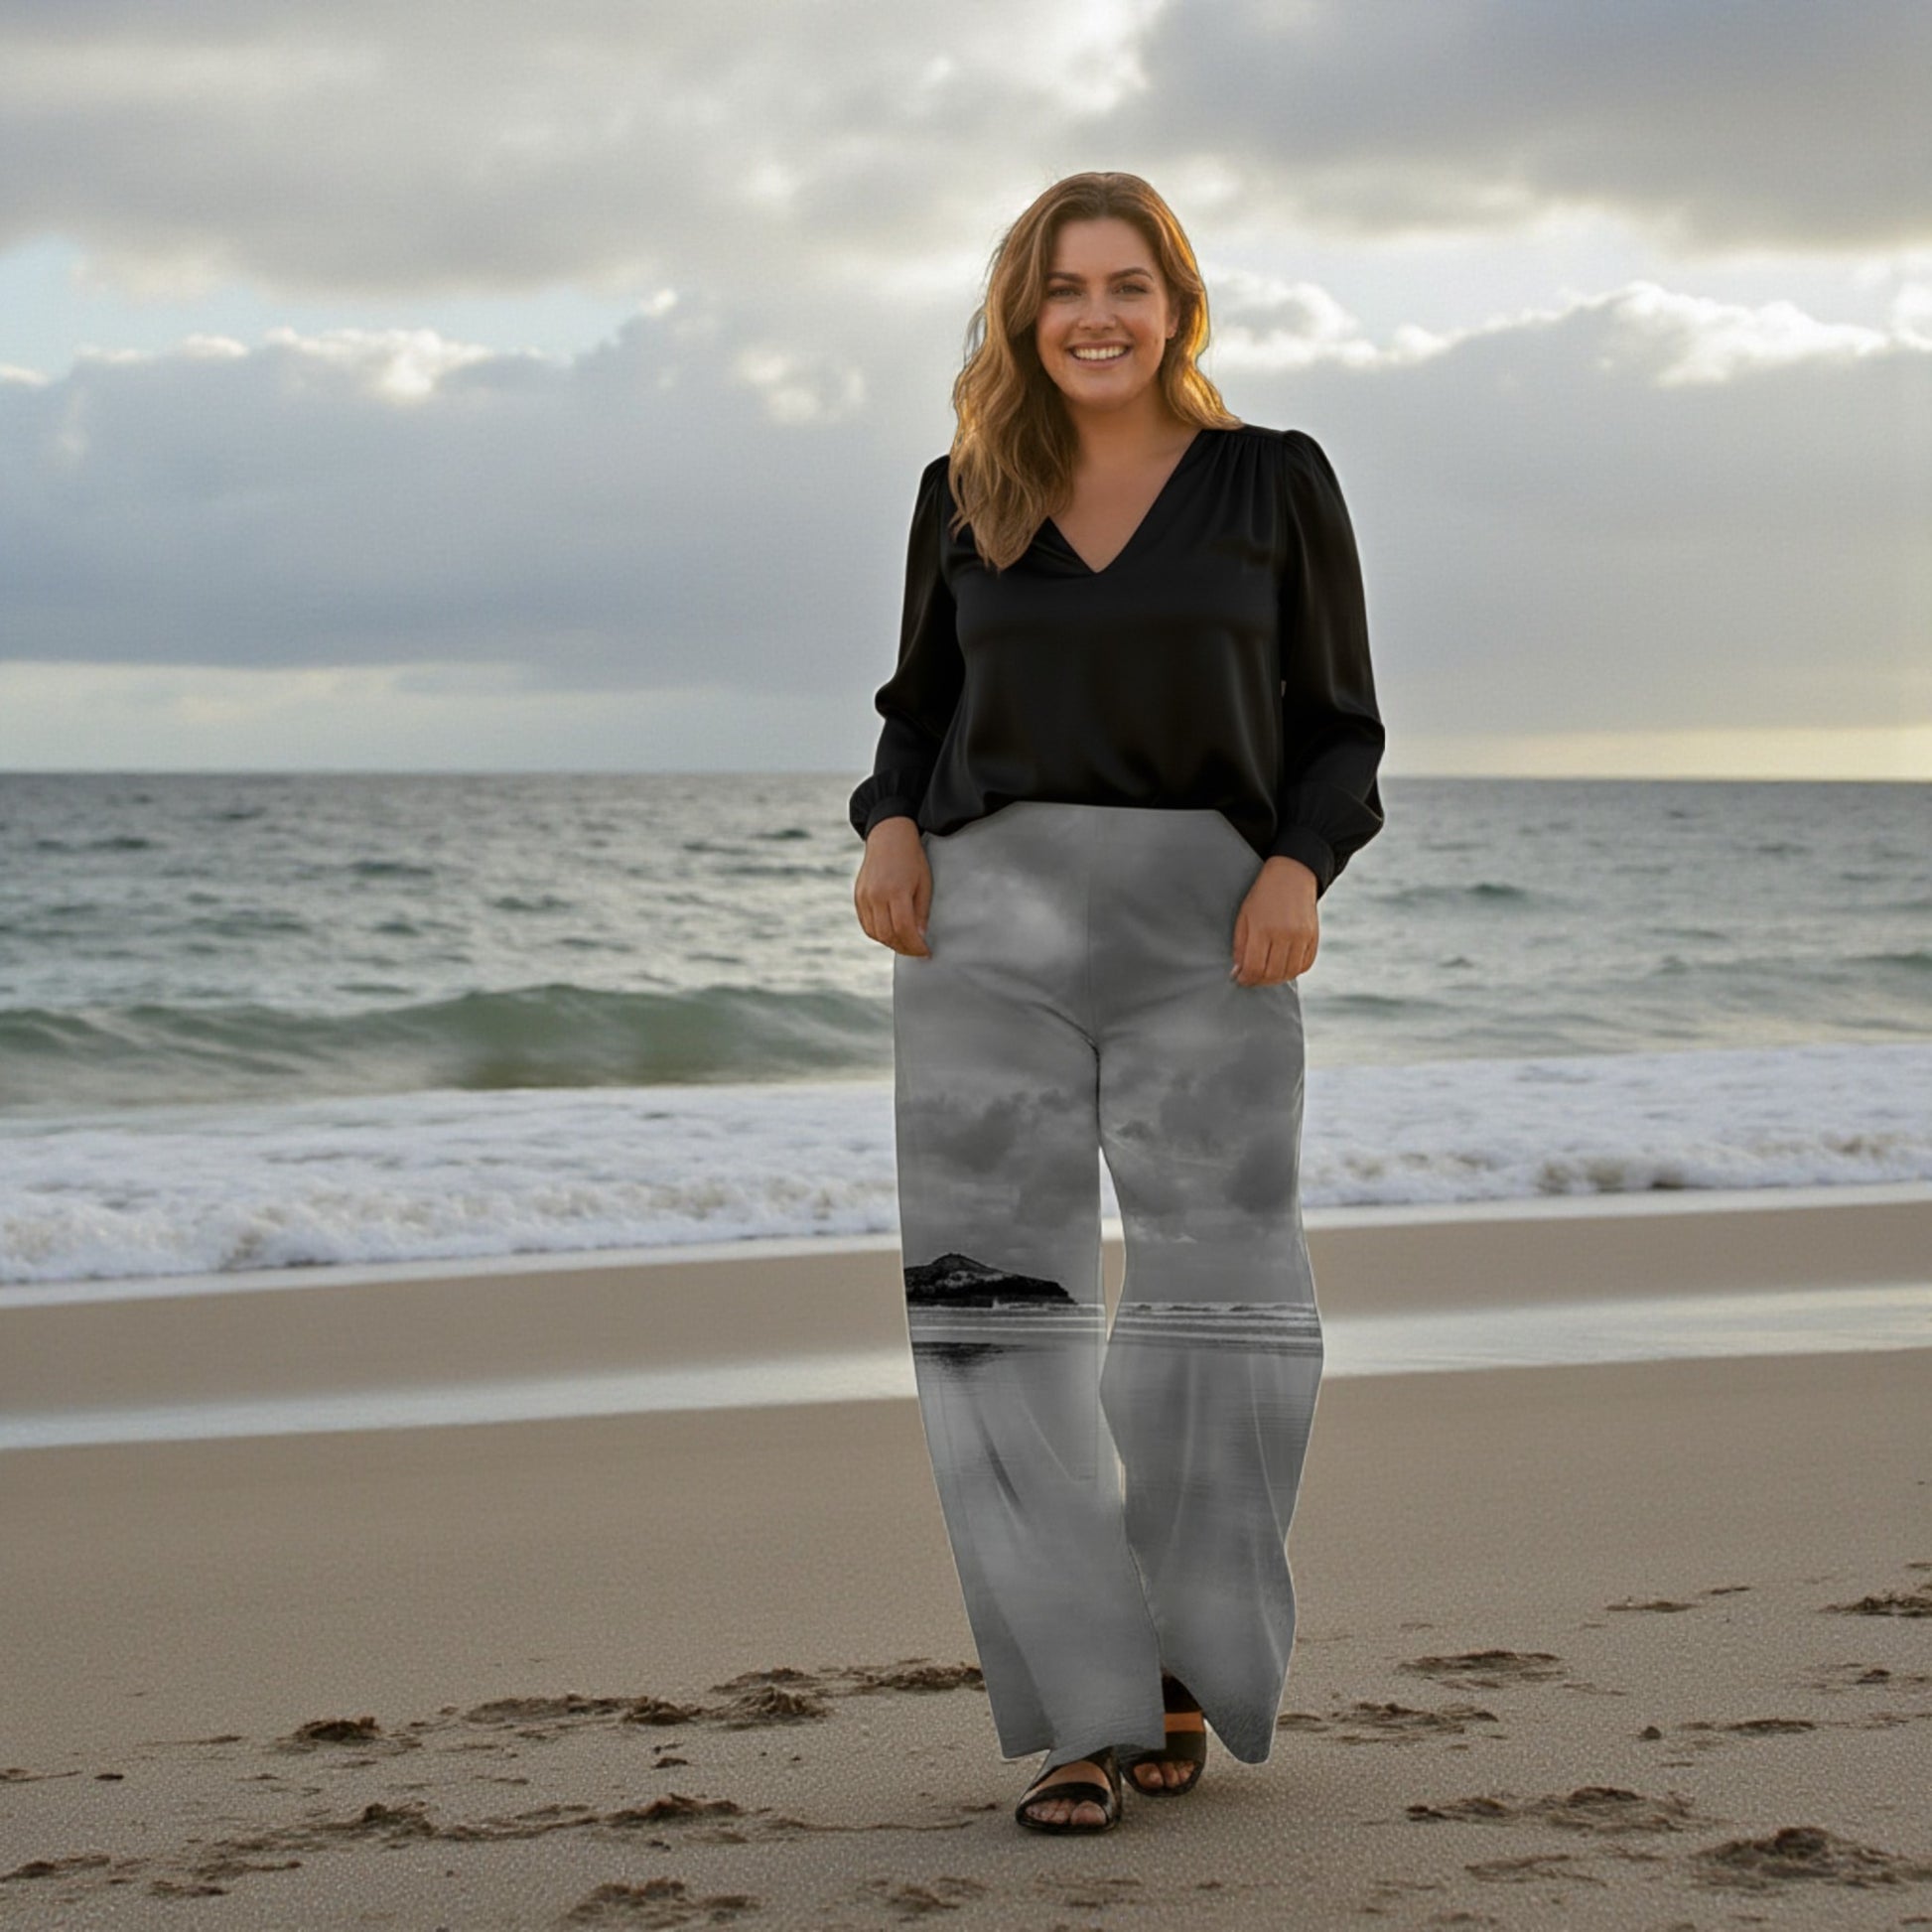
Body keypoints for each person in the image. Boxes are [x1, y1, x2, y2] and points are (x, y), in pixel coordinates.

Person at [849, 171, 1386, 1835]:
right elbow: (912, 712)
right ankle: (1075, 1715)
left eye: (1128, 284)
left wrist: (1298, 861)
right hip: (984, 934)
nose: (1097, 313)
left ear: (1177, 305)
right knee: (992, 1326)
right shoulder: (963, 489)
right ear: (1024, 310)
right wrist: (882, 824)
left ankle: (1182, 1668)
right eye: (1065, 285)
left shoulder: (1269, 483)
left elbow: (1339, 725)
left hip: (1210, 937)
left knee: (1223, 1323)